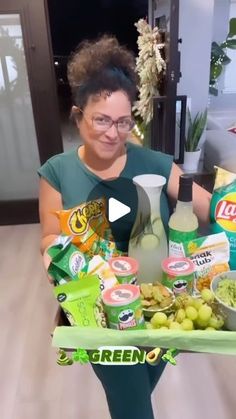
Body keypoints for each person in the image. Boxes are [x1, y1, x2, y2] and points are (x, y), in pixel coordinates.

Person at [38, 35, 212, 419]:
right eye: (101, 119)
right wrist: (55, 256)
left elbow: (212, 210)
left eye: (122, 121)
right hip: (99, 308)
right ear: (78, 115)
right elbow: (50, 238)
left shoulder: (157, 163)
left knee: (135, 393)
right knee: (132, 401)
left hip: (161, 306)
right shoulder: (57, 172)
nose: (112, 133)